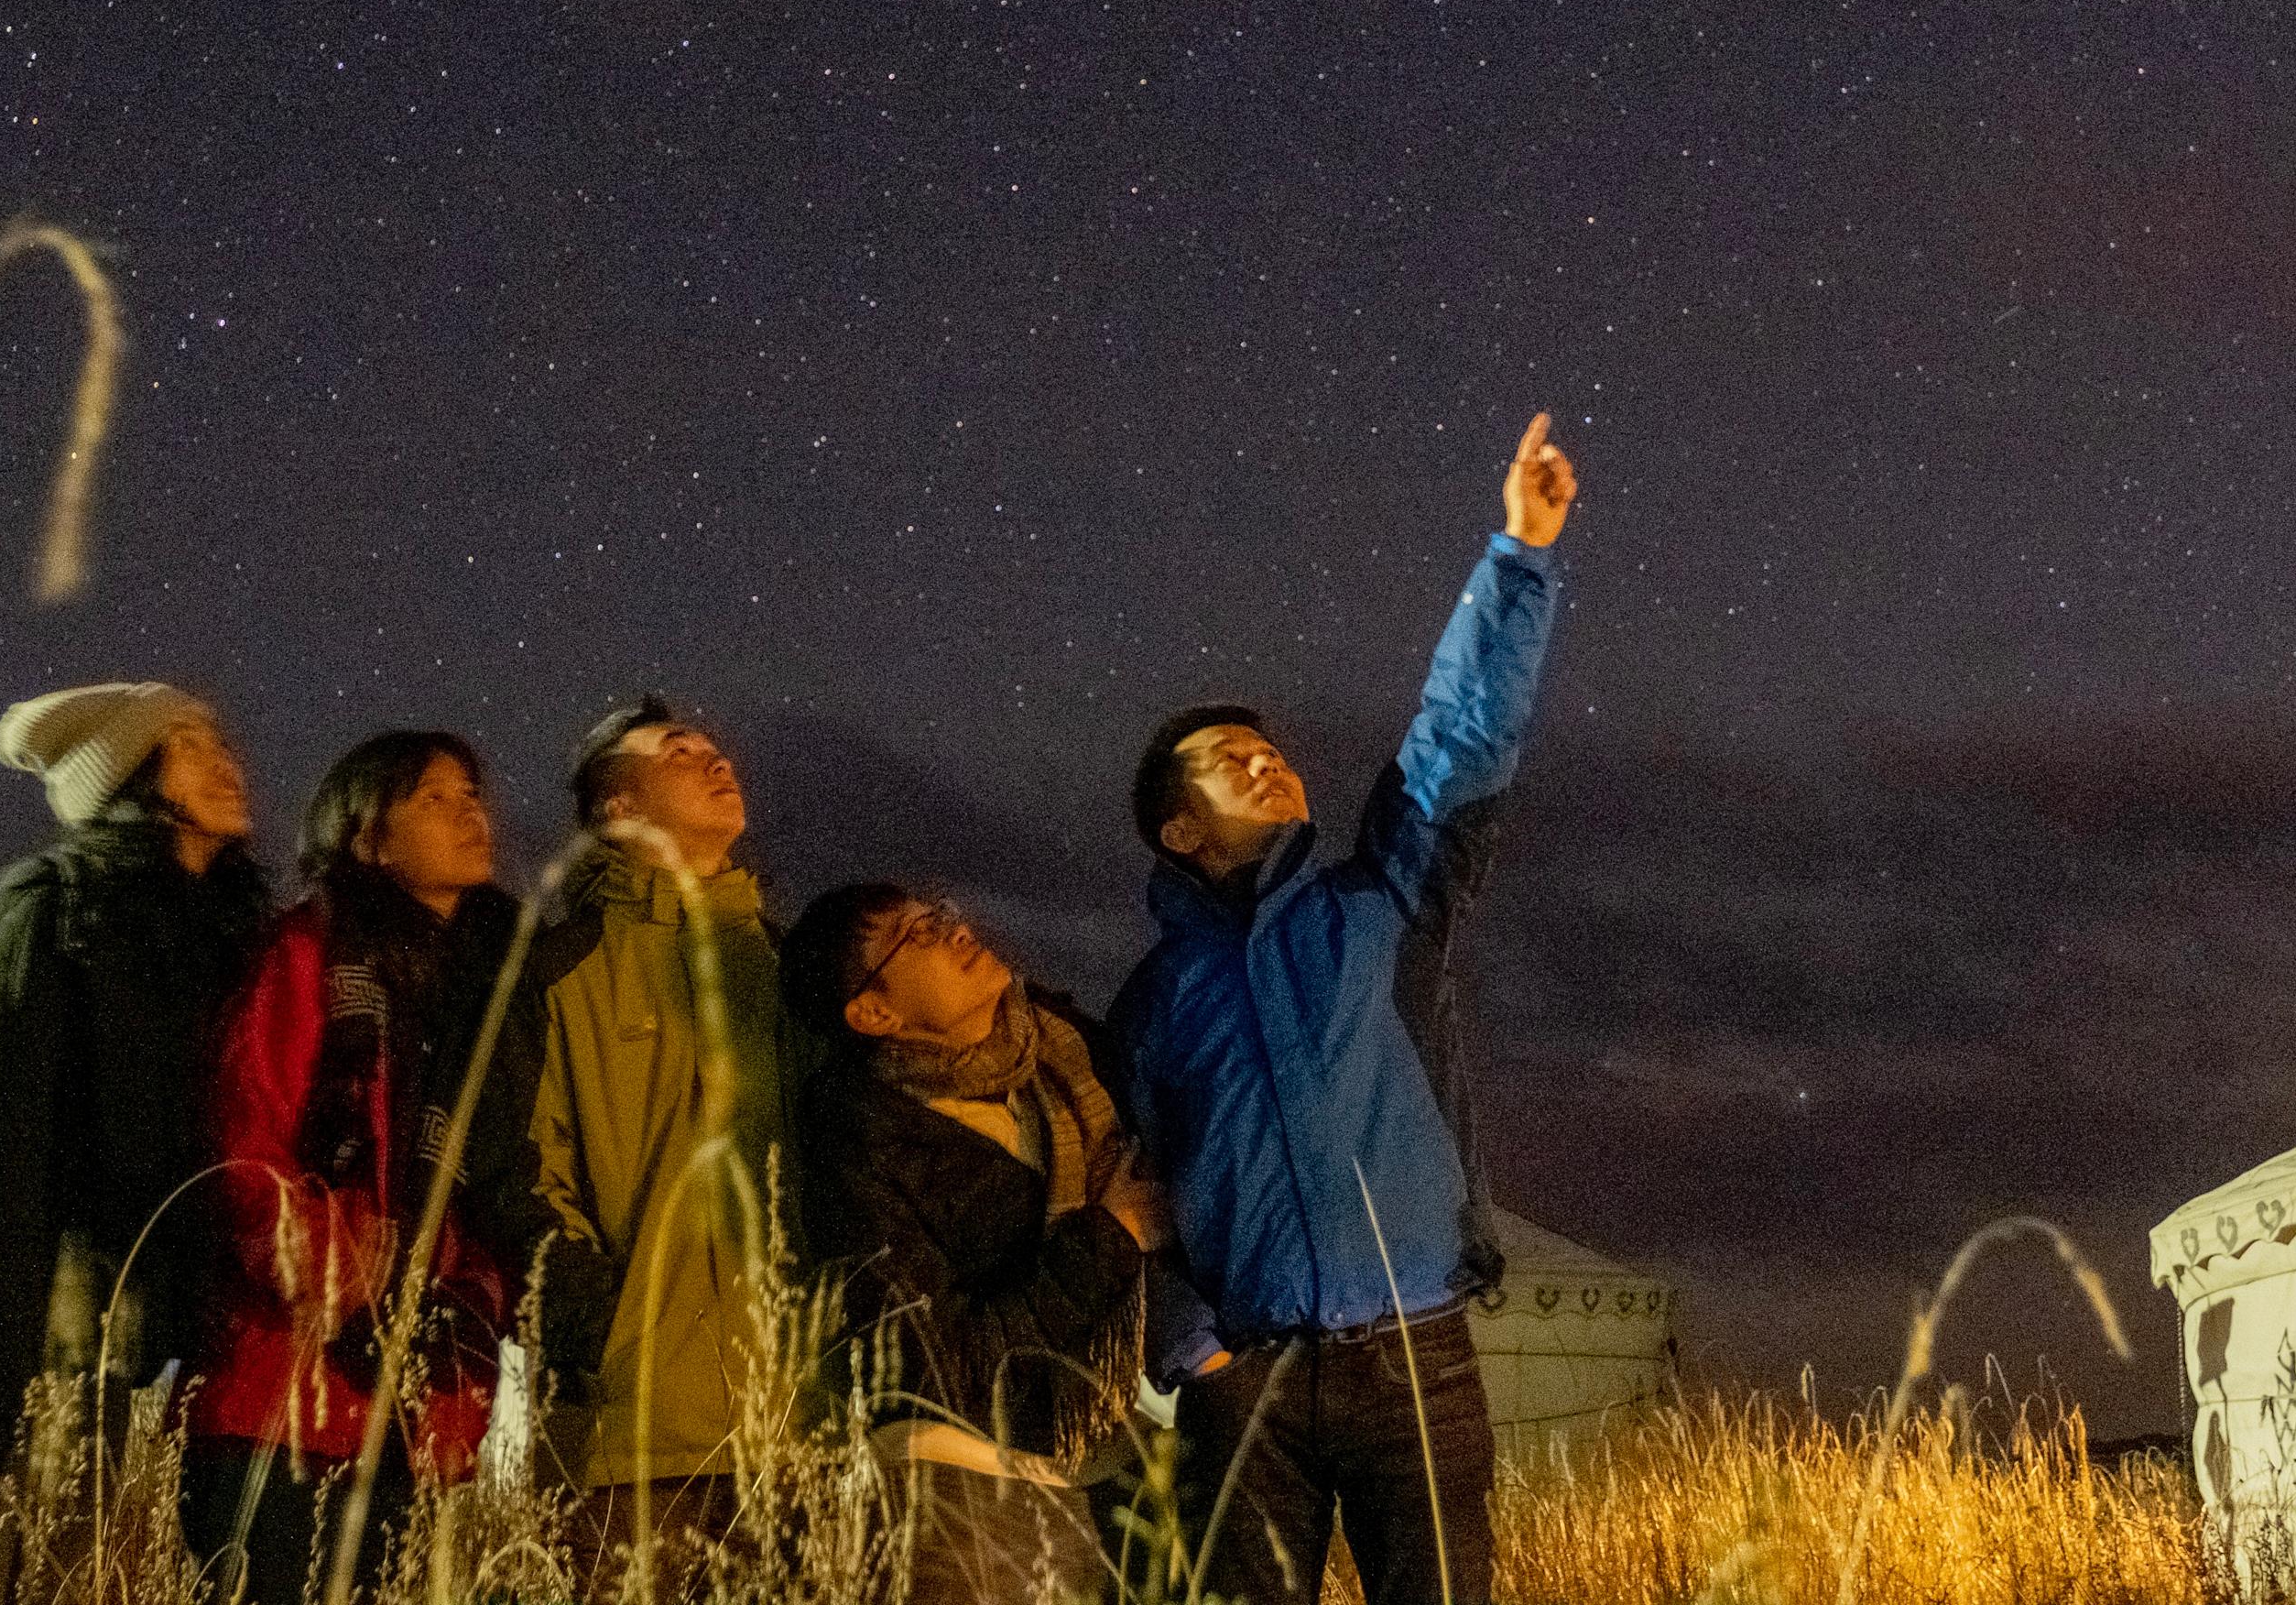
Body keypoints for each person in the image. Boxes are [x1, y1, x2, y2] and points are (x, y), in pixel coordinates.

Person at [1107, 414, 1578, 1605]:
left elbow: (1457, 745)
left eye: (1272, 752)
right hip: (1246, 1380)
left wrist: (1518, 558)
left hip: (1415, 1357)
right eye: (1229, 759)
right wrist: (1190, 1349)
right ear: (1180, 827)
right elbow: (1127, 1193)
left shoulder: (1381, 905)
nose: (1267, 763)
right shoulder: (1156, 1004)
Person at [0, 682, 267, 1591]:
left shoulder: (212, 942)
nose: (226, 762)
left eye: (223, 741)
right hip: (10, 1358)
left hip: (114, 1366)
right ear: (129, 774)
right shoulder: (52, 908)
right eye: (191, 743)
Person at [183, 731, 528, 1602]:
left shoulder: (488, 996)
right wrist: (335, 1258)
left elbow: (490, 1186)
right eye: (434, 798)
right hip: (281, 1392)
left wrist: (469, 1289)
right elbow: (243, 1135)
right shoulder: (308, 956)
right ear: (368, 837)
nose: (470, 812)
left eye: (472, 794)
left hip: (422, 1411)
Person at [474, 695, 787, 1595]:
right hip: (626, 1436)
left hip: (792, 1425)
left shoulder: (783, 960)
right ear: (617, 807)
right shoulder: (555, 967)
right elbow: (512, 1172)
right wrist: (609, 1331)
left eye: (714, 742)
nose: (714, 755)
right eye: (678, 749)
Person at [786, 882, 1165, 1605]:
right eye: (916, 935)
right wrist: (1112, 1237)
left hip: (1109, 1474)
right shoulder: (863, 1140)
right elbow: (934, 1366)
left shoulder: (1062, 1065)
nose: (953, 929)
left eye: (938, 915)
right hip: (962, 1506)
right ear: (874, 1012)